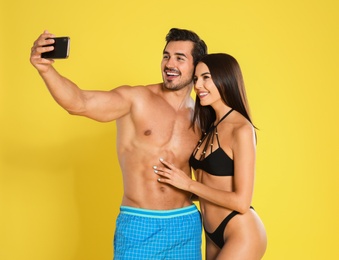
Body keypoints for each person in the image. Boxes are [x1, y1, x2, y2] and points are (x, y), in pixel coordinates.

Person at [30, 28, 207, 259]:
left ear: (197, 66)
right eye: (166, 56)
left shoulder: (203, 117)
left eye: (179, 58)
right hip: (139, 224)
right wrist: (45, 69)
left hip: (185, 225)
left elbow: (211, 181)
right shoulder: (136, 99)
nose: (169, 63)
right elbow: (80, 103)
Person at [154, 53, 267, 259]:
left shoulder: (241, 129)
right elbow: (213, 185)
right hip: (211, 232)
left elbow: (242, 201)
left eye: (206, 78)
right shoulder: (210, 125)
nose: (198, 86)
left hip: (240, 230)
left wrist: (188, 185)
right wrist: (173, 187)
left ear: (226, 78)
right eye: (196, 79)